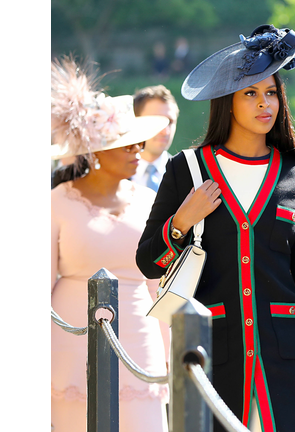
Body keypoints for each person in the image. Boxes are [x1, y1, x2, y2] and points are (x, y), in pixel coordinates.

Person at [135, 25, 295, 432]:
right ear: (227, 103)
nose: (263, 102)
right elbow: (148, 261)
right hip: (212, 353)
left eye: (270, 93)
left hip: (286, 361)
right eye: (250, 93)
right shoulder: (188, 170)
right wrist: (182, 220)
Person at [50, 57, 171, 432]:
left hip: (140, 336)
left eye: (139, 146)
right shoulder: (56, 201)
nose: (138, 154)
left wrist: (169, 349)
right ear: (96, 152)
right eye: (127, 147)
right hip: (69, 342)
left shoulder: (150, 201)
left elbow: (159, 283)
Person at [131, 84, 180, 191]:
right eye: (157, 121)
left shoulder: (184, 174)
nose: (165, 131)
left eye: (170, 122)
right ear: (135, 121)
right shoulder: (114, 175)